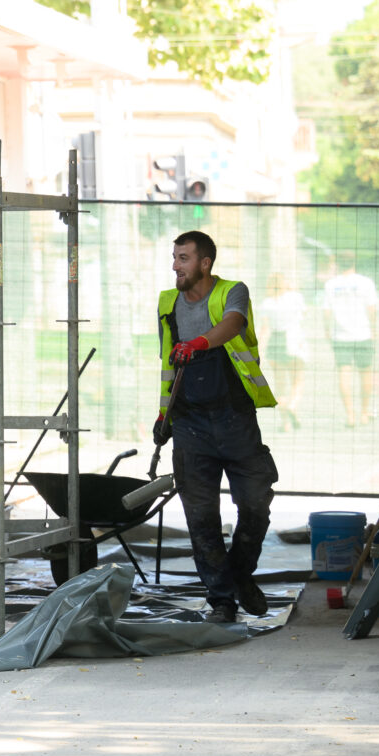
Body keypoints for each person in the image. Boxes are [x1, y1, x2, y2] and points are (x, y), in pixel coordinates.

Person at [154, 230, 278, 623]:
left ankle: (238, 576)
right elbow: (168, 362)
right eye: (174, 258)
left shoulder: (231, 292)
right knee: (201, 516)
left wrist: (199, 344)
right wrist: (163, 414)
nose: (175, 265)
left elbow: (233, 325)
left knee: (256, 504)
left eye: (183, 258)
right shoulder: (167, 302)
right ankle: (222, 599)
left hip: (235, 418)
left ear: (204, 263)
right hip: (189, 422)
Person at [322, 251, 378, 426]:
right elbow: (371, 309)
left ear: (338, 263)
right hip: (363, 333)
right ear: (354, 262)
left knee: (344, 374)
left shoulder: (331, 284)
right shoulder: (365, 283)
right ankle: (364, 412)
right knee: (365, 373)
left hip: (341, 335)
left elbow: (326, 311)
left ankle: (350, 414)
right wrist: (373, 329)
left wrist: (327, 330)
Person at [262, 271, 307, 430]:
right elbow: (303, 314)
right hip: (293, 341)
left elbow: (265, 328)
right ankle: (293, 405)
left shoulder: (267, 303)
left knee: (280, 385)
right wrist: (292, 289)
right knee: (297, 380)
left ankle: (285, 423)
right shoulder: (295, 298)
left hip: (275, 342)